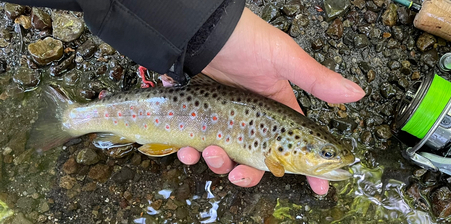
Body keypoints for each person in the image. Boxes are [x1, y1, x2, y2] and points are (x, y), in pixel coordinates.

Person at [11, 0, 365, 194]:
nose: (331, 159)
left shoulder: (280, 152)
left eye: (327, 154)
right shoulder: (275, 156)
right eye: (326, 153)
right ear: (286, 147)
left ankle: (73, 117)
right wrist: (208, 35)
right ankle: (70, 117)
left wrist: (208, 36)